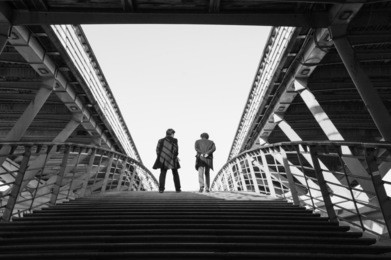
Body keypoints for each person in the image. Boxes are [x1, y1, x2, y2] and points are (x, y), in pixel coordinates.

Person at [153, 128, 181, 193]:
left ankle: (161, 189)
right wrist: (175, 156)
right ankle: (178, 189)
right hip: (172, 159)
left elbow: (157, 150)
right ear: (172, 134)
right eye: (173, 134)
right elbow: (176, 150)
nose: (174, 135)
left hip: (163, 159)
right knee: (175, 173)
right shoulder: (175, 140)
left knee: (162, 173)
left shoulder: (160, 140)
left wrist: (160, 157)